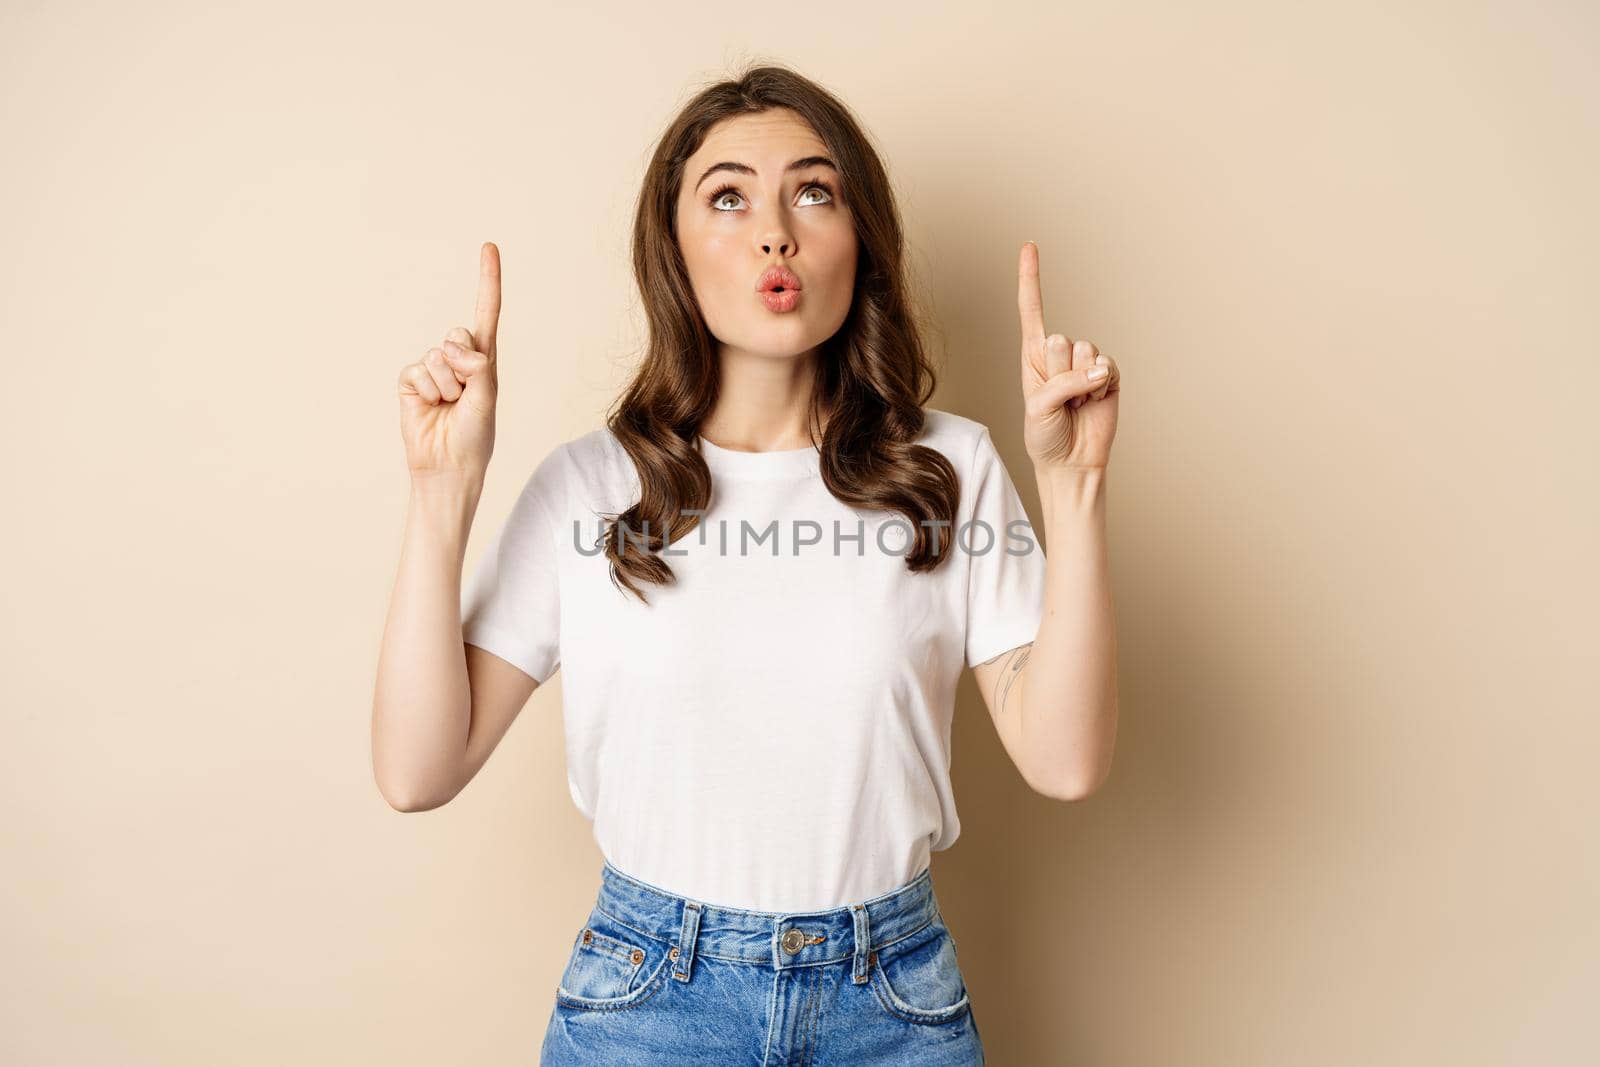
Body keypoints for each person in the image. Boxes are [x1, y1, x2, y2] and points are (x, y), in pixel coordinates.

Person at [372, 63, 1120, 1066]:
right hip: (645, 1001)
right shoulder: (591, 487)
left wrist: (1072, 487)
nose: (776, 231)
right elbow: (417, 769)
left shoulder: (949, 467)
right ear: (673, 252)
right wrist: (440, 490)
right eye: (727, 196)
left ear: (862, 243)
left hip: (890, 1001)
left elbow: (1064, 760)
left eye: (814, 192)